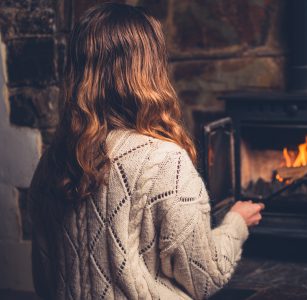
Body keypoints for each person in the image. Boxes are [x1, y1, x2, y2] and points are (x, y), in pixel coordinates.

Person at [29, 3, 264, 299]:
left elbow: (45, 275)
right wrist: (237, 222)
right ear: (149, 70)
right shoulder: (164, 161)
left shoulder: (51, 162)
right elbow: (205, 277)